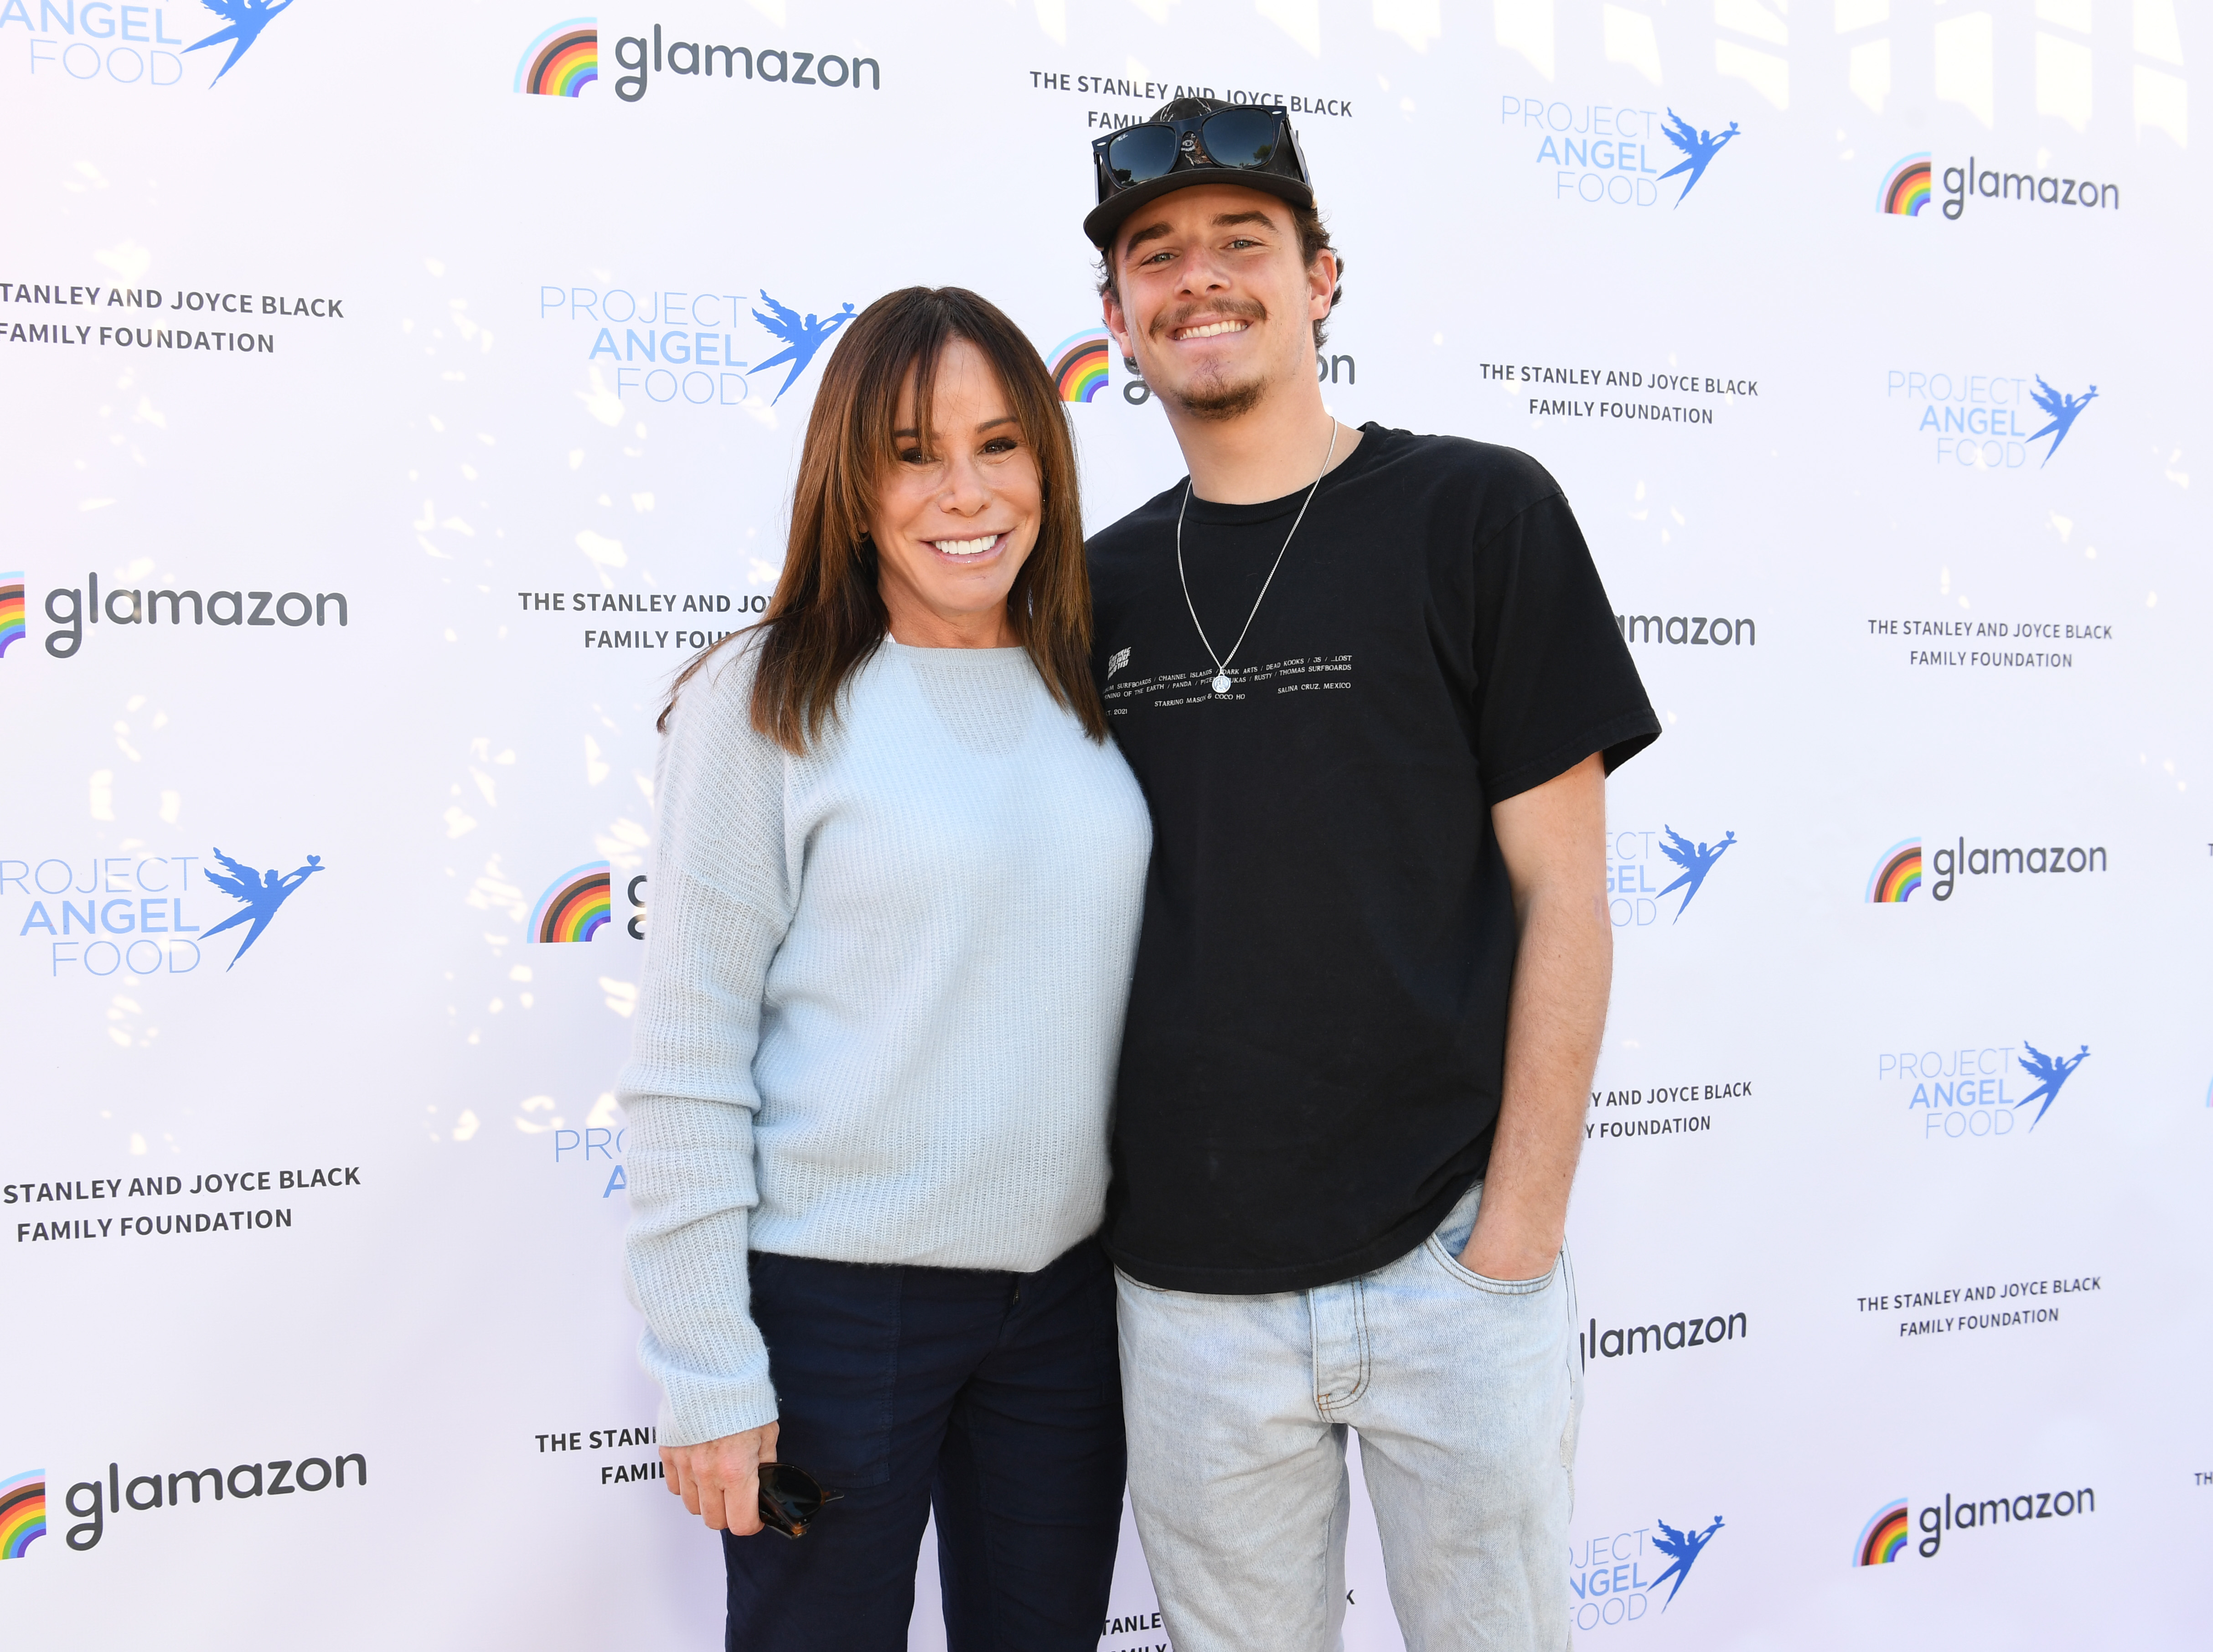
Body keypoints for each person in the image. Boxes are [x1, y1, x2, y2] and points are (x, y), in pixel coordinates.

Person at [1081, 99, 1661, 1649]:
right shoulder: (1087, 586)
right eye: (1156, 257)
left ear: (1323, 276)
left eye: (1241, 244)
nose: (1199, 280)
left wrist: (1512, 1240)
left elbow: (1567, 896)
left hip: (1450, 1261)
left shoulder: (1480, 514)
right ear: (1116, 318)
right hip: (1189, 1295)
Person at [618, 286, 1152, 1651]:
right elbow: (686, 1059)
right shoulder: (765, 699)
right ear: (852, 485)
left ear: (1050, 459)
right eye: (912, 453)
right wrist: (707, 1370)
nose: (964, 492)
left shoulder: (1086, 683)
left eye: (1000, 445)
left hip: (1065, 1310)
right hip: (838, 1312)